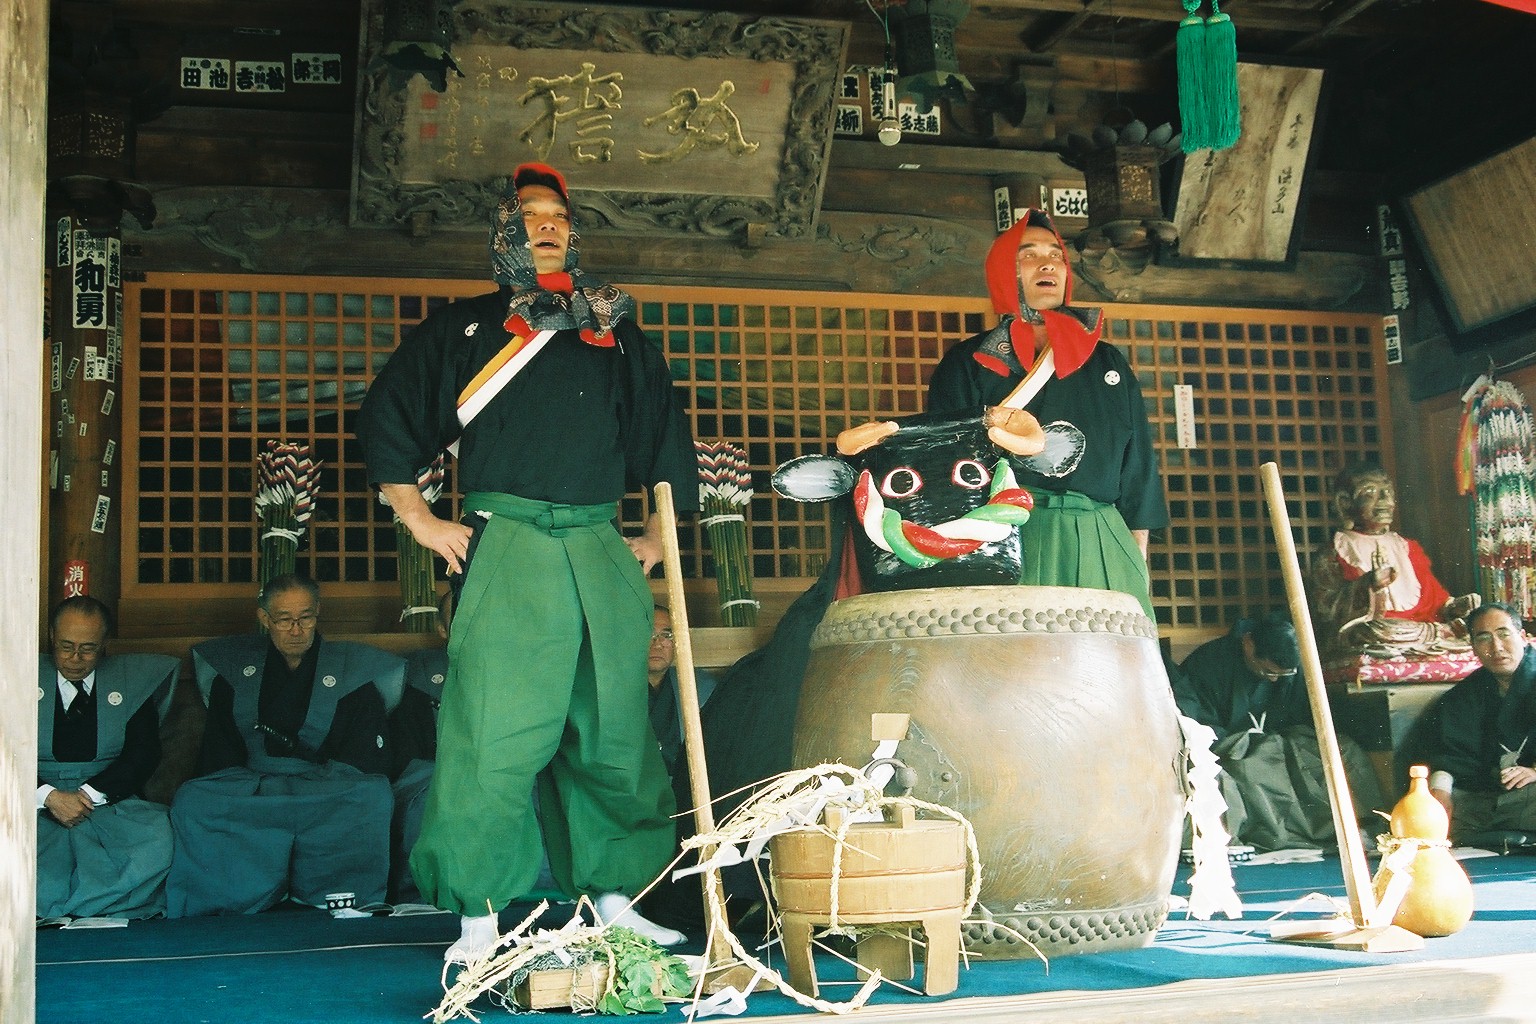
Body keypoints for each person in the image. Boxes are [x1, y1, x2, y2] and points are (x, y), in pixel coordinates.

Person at [356, 161, 698, 962]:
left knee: (613, 730)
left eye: (557, 217)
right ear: (502, 237)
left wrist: (655, 534)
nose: (546, 225)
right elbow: (392, 415)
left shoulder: (615, 335)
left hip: (599, 545)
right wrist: (420, 519)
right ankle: (478, 915)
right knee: (493, 734)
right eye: (528, 217)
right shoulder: (466, 328)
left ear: (574, 235)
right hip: (504, 541)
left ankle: (615, 899)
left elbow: (662, 434)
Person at [925, 208, 1167, 616]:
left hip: (1099, 533)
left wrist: (1135, 550)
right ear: (1004, 271)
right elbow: (947, 465)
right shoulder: (969, 361)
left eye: (1055, 254)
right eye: (1029, 255)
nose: (1047, 264)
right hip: (1006, 532)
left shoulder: (1107, 361)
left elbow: (1137, 461)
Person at [166, 574, 403, 917]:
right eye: (284, 619)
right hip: (256, 785)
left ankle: (331, 895)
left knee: (374, 795)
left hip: (325, 786)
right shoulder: (235, 676)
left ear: (318, 613)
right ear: (264, 618)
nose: (296, 630)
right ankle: (239, 897)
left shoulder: (352, 673)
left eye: (305, 618)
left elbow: (365, 757)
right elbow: (220, 752)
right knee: (193, 799)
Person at [1173, 612, 1385, 851]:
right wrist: (1255, 741)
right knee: (1257, 766)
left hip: (1283, 738)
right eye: (1267, 672)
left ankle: (1358, 826)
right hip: (1230, 746)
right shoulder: (1208, 663)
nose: (1274, 681)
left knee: (1341, 750)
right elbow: (1200, 727)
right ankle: (1298, 835)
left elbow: (1301, 715)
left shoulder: (1293, 664)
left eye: (1280, 675)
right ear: (1248, 643)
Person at [36, 596, 179, 920]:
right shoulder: (16, 677)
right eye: (65, 646)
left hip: (105, 801)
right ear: (50, 636)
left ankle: (83, 907)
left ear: (104, 644)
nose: (75, 658)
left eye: (88, 648)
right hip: (33, 800)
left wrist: (87, 795)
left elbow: (144, 752)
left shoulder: (130, 682)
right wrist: (49, 796)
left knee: (159, 837)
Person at [1310, 461, 1480, 660]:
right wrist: (1370, 585)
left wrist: (1455, 606)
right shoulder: (1333, 551)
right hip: (1378, 629)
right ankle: (1440, 635)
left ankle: (1440, 634)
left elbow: (1435, 598)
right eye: (1370, 493)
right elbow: (1326, 610)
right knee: (1377, 631)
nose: (1385, 500)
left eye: (1388, 492)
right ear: (1345, 502)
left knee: (1472, 623)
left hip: (1419, 628)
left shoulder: (1406, 547)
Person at [1416, 602, 1536, 844]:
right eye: (1484, 638)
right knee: (1427, 813)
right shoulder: (1465, 695)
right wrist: (1440, 793)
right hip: (1489, 795)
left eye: (1504, 634)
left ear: (1523, 637)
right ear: (1473, 647)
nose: (1497, 647)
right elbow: (1451, 754)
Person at [387, 592, 451, 903]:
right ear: (442, 628)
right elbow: (407, 750)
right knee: (425, 802)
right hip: (434, 770)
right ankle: (421, 894)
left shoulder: (513, 670)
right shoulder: (420, 672)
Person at [646, 605, 718, 782]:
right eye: (649, 634)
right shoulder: (615, 689)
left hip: (686, 790)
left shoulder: (700, 686)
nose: (657, 643)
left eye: (667, 635)